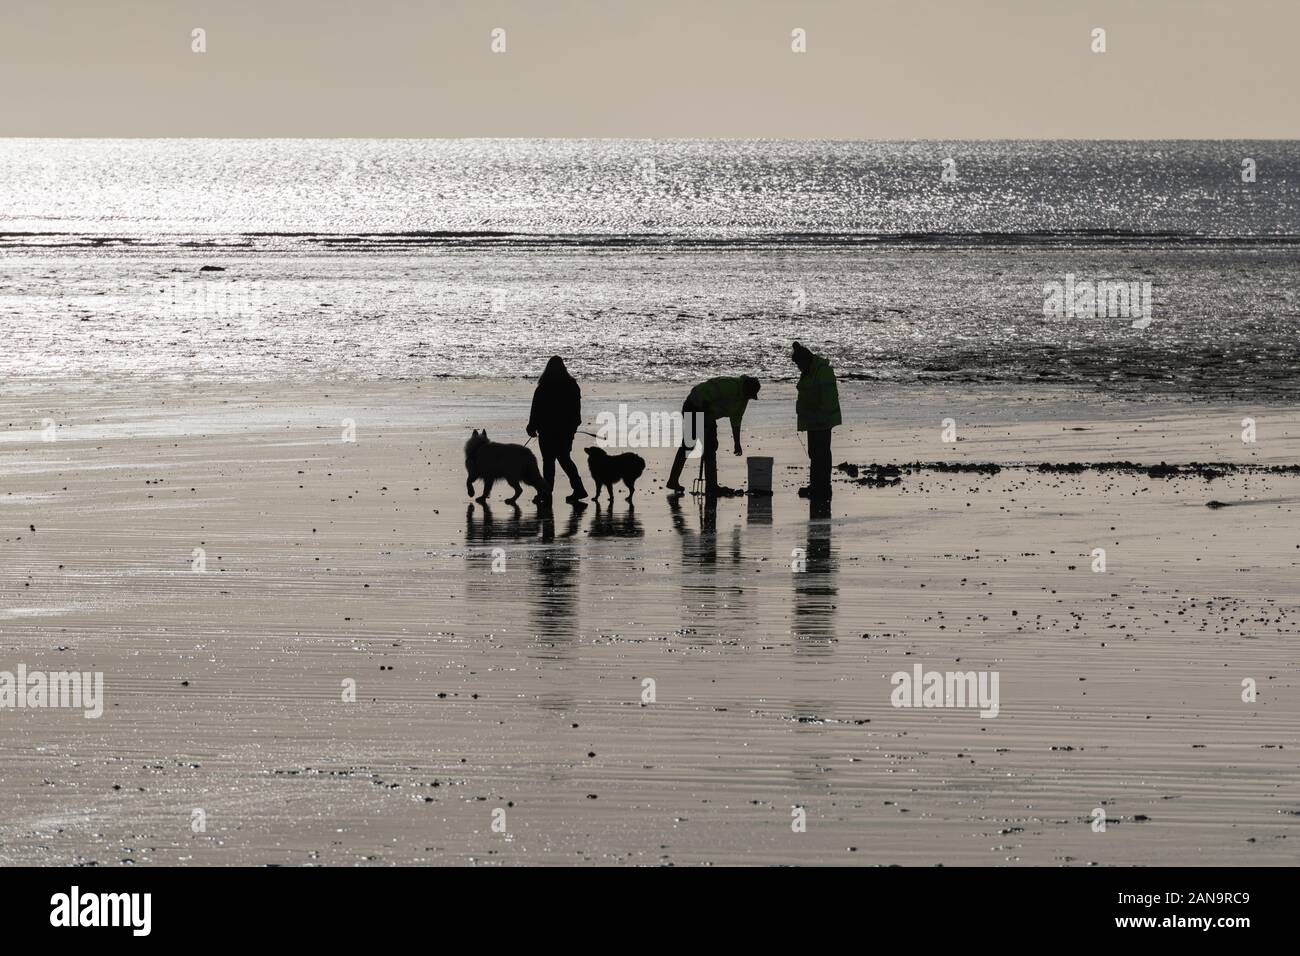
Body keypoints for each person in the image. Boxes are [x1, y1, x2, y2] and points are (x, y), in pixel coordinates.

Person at [666, 375, 761, 497]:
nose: (749, 398)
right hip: (694, 405)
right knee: (689, 445)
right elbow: (705, 394)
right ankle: (673, 481)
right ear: (746, 388)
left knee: (711, 447)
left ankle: (711, 485)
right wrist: (702, 415)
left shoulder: (743, 399)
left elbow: (736, 421)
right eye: (749, 395)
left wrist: (737, 443)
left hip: (708, 415)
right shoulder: (729, 385)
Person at [526, 356, 588, 504]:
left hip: (547, 430)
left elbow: (536, 409)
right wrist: (573, 426)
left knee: (549, 462)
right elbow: (576, 411)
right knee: (564, 459)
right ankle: (578, 489)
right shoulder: (572, 385)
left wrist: (531, 426)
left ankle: (546, 493)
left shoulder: (543, 386)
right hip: (565, 431)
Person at [792, 342, 841, 500]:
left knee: (822, 454)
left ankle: (824, 487)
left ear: (806, 360)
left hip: (822, 420)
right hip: (813, 421)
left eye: (799, 364)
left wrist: (817, 416)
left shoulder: (822, 371)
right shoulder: (809, 371)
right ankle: (816, 485)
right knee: (815, 453)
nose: (799, 368)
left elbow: (827, 399)